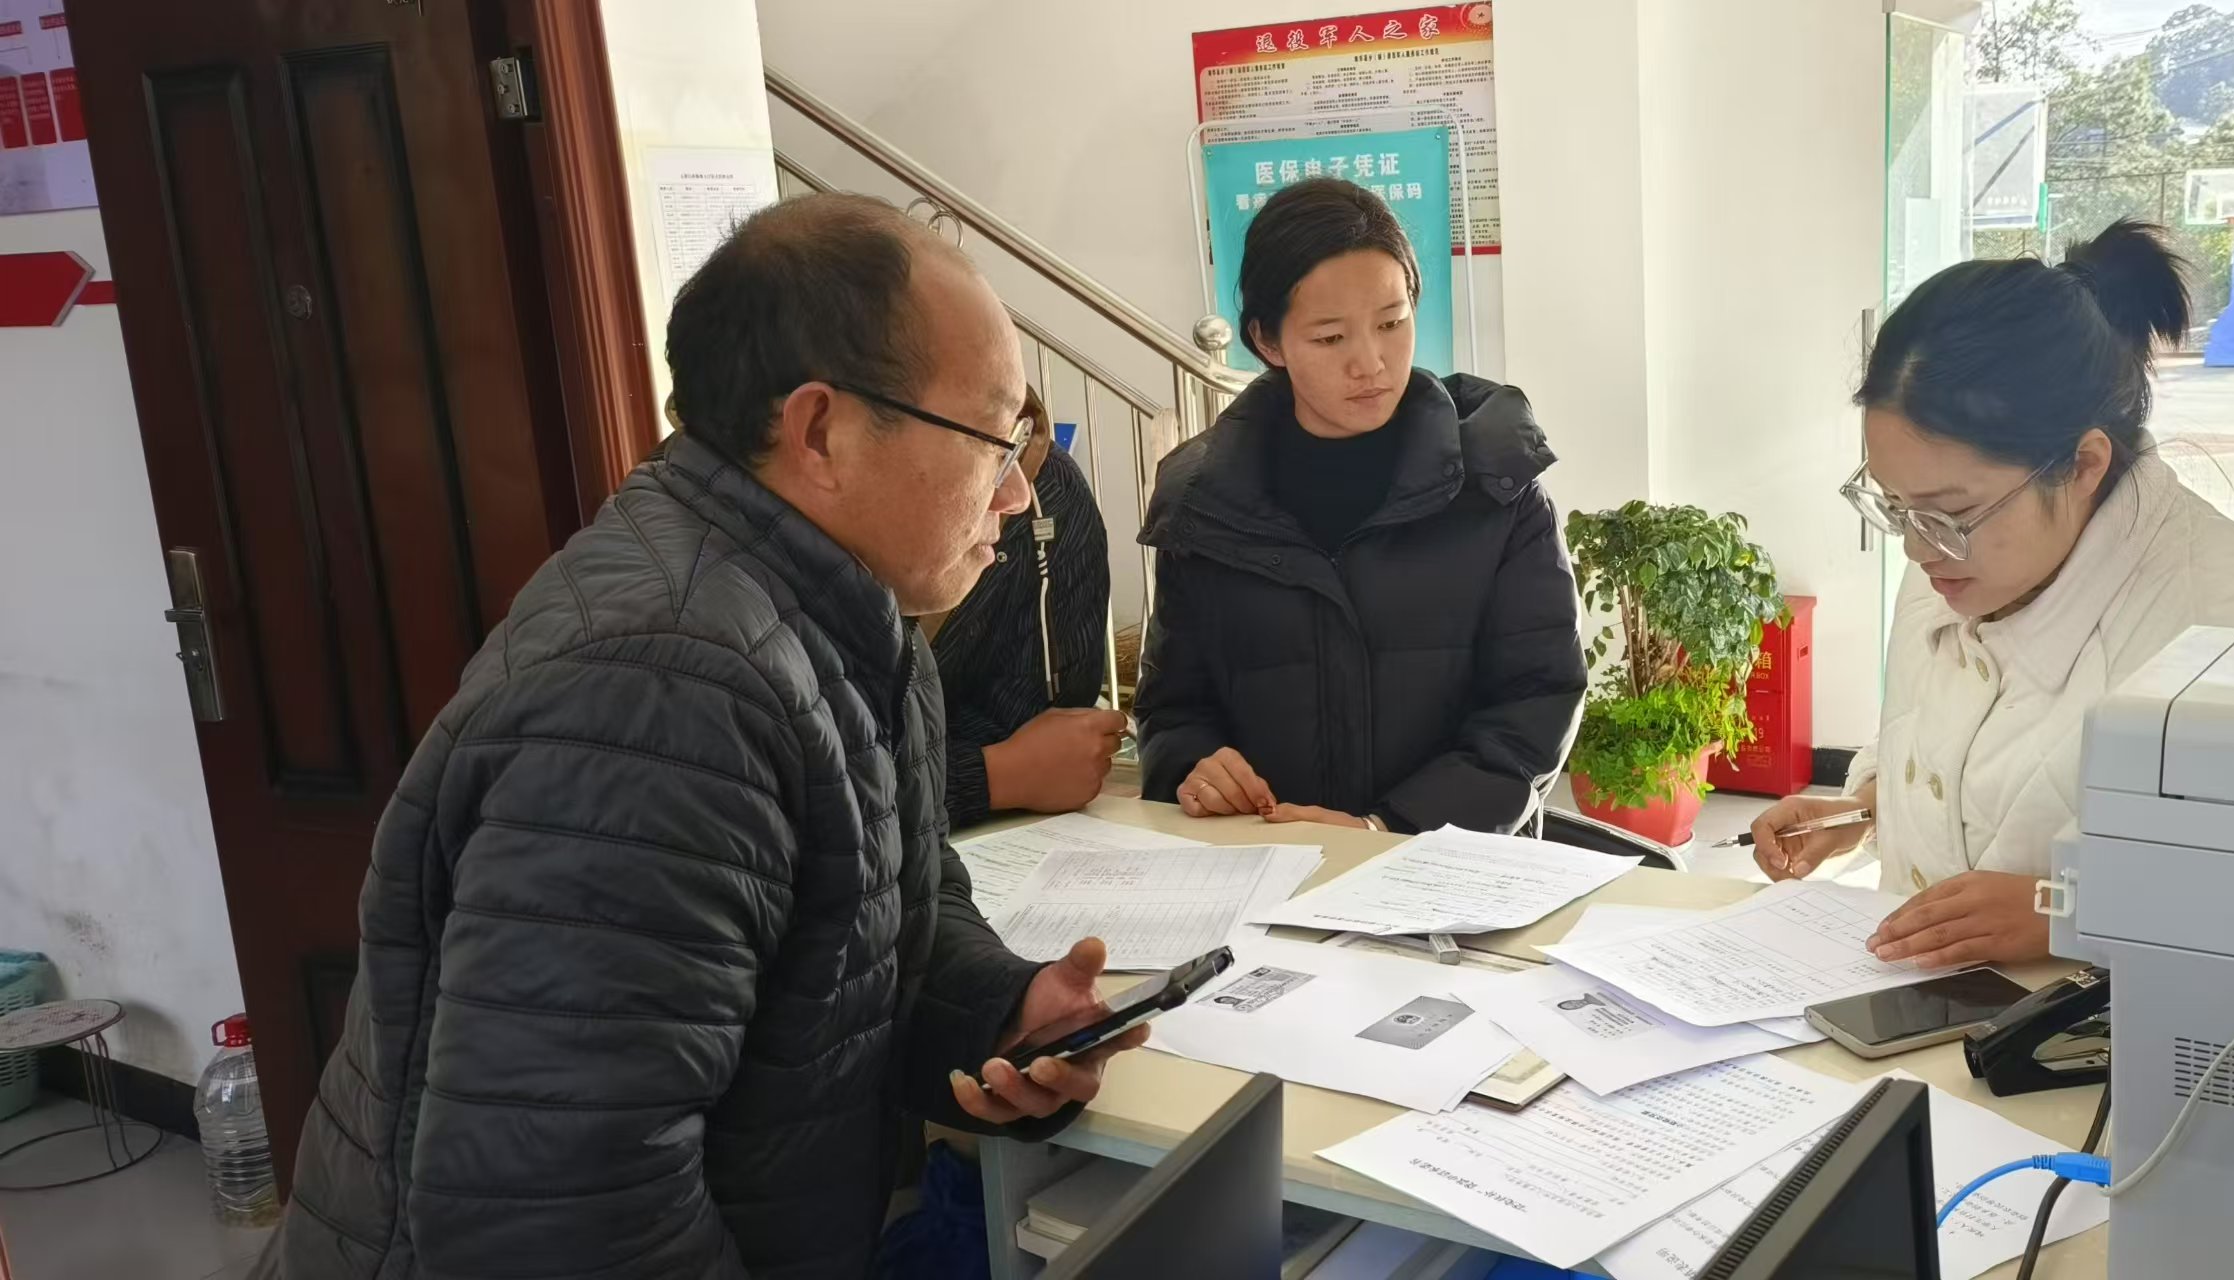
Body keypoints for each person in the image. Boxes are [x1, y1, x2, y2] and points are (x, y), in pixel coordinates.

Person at [258, 193, 1146, 1279]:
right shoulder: (667, 689)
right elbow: (563, 1212)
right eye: (994, 440)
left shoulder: (841, 615)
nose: (1013, 494)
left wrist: (1000, 1009)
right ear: (819, 432)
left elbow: (886, 907)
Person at [1751, 220, 2234, 969]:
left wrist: (2067, 910)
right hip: (1912, 1007)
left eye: (1949, 513)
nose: (1916, 548)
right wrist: (1870, 810)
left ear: (2084, 464)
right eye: (1895, 507)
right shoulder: (1957, 556)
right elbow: (1954, 744)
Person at [1135, 177, 1584, 834]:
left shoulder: (1496, 483)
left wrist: (1387, 829)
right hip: (1266, 857)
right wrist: (1194, 768)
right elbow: (1174, 709)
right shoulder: (1204, 506)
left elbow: (1535, 703)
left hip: (1445, 867)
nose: (1370, 363)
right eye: (1329, 338)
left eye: (1392, 324)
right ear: (1267, 341)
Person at [921, 403, 1125, 827]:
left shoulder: (1048, 490)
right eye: (984, 448)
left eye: (1011, 448)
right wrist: (993, 775)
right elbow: (825, 793)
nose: (1016, 497)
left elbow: (1054, 750)